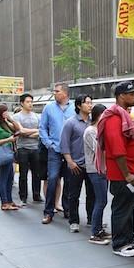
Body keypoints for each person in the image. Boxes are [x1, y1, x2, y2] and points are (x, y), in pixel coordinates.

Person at [100, 81, 134, 257]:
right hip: (123, 175)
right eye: (131, 94)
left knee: (129, 206)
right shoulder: (113, 118)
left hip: (132, 172)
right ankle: (119, 244)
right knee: (121, 207)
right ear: (121, 96)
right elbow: (117, 150)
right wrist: (127, 174)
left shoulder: (125, 116)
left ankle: (129, 237)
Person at [39, 83, 76, 224]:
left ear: (65, 93)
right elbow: (42, 128)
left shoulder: (74, 108)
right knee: (53, 179)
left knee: (69, 181)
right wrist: (49, 144)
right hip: (54, 150)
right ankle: (48, 212)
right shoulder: (49, 108)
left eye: (57, 91)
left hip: (71, 151)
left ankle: (67, 210)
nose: (55, 93)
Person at [61, 95, 94, 233]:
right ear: (79, 106)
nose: (90, 105)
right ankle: (74, 221)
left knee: (92, 194)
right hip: (76, 164)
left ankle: (92, 218)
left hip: (91, 165)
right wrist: (70, 162)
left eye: (91, 102)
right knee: (74, 194)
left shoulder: (93, 122)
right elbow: (64, 144)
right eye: (87, 103)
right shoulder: (71, 122)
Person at [84, 103, 111, 245]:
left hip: (102, 169)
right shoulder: (91, 131)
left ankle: (99, 229)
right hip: (95, 169)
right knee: (101, 201)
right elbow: (100, 149)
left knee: (101, 200)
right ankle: (95, 233)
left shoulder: (99, 130)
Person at [0, 104, 21, 210]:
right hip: (2, 153)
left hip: (9, 153)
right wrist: (8, 140)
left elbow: (17, 129)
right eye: (4, 112)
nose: (6, 113)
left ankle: (9, 200)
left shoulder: (4, 123)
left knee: (10, 178)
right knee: (3, 178)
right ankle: (4, 202)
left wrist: (10, 119)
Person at [13, 93, 42, 204]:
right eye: (28, 102)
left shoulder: (37, 116)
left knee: (37, 173)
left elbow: (41, 131)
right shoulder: (16, 117)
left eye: (31, 102)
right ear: (22, 103)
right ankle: (23, 196)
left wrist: (26, 132)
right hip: (22, 148)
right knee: (23, 173)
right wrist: (29, 132)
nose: (30, 104)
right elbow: (20, 131)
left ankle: (36, 194)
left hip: (35, 147)